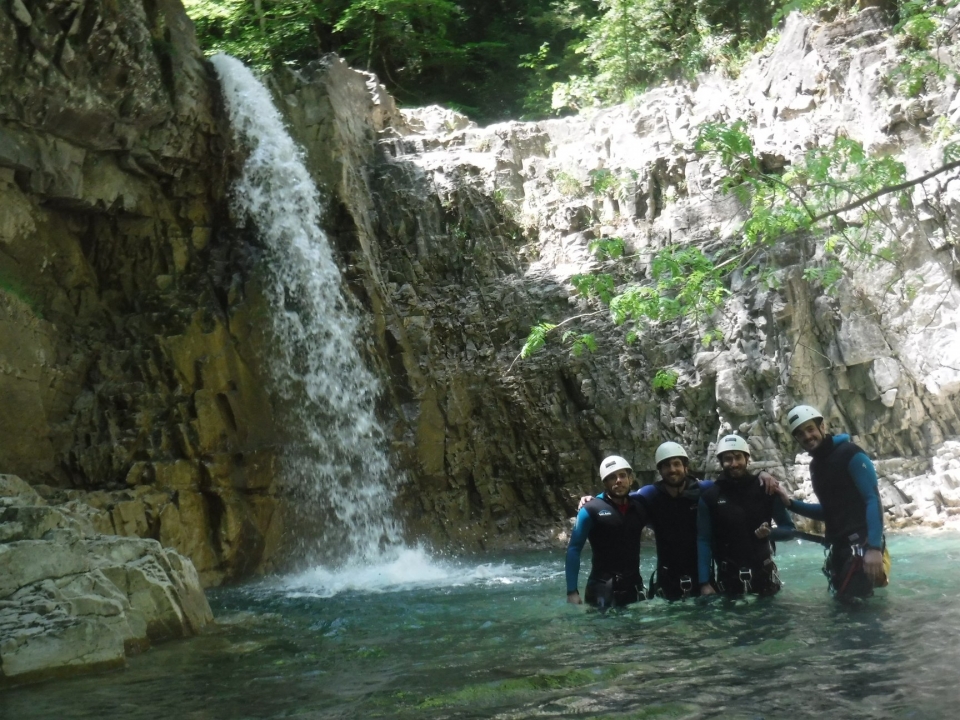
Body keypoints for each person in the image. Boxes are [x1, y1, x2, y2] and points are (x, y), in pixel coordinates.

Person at [578, 442, 781, 601]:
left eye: (676, 464)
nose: (672, 469)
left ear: (686, 466)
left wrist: (762, 475)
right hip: (668, 580)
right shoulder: (650, 494)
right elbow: (619, 496)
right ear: (660, 470)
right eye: (666, 466)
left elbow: (734, 483)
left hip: (704, 578)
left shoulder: (705, 490)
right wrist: (594, 499)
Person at [777, 405, 889, 601]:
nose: (807, 436)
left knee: (857, 613)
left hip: (861, 547)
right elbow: (830, 511)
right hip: (841, 549)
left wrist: (874, 548)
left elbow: (872, 499)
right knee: (847, 612)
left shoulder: (850, 454)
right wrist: (790, 504)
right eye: (800, 434)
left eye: (810, 429)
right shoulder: (816, 466)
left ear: (822, 426)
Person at [698, 434, 795, 598]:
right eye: (728, 459)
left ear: (747, 458)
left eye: (738, 457)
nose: (734, 464)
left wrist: (771, 533)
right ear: (721, 462)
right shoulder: (710, 497)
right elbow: (703, 540)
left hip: (763, 576)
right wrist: (704, 582)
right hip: (728, 579)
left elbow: (789, 530)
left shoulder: (766, 489)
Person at [566, 455, 648, 608]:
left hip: (633, 587)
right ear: (605, 483)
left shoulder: (640, 507)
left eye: (622, 475)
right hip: (602, 590)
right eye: (612, 477)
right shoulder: (591, 509)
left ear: (630, 479)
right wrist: (572, 591)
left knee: (638, 632)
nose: (618, 480)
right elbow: (574, 549)